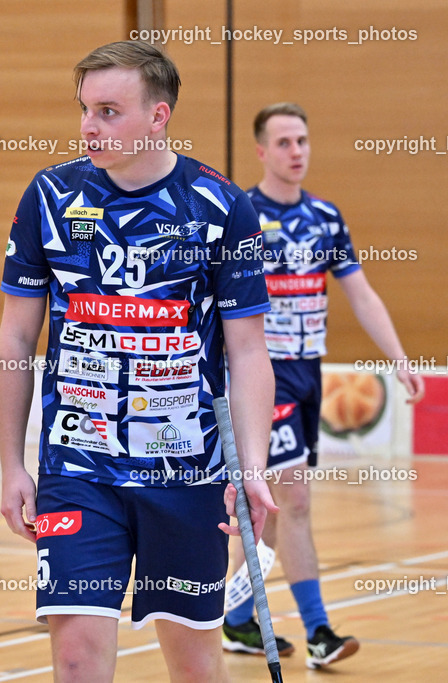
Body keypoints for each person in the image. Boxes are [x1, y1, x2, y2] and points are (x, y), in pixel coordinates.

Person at [0, 40, 276, 682]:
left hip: (187, 475)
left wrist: (252, 468)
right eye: (86, 110)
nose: (90, 126)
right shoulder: (48, 197)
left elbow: (249, 350)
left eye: (110, 111)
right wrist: (11, 463)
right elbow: (14, 342)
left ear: (159, 116)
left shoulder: (221, 206)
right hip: (77, 471)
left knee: (196, 667)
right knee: (75, 658)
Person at [221, 101, 426, 669]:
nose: (296, 152)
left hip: (309, 371)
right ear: (261, 150)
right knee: (295, 498)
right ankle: (318, 632)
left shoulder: (326, 218)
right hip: (266, 373)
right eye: (284, 142)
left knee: (274, 510)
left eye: (303, 141)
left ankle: (236, 616)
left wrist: (399, 358)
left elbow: (361, 292)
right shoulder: (241, 215)